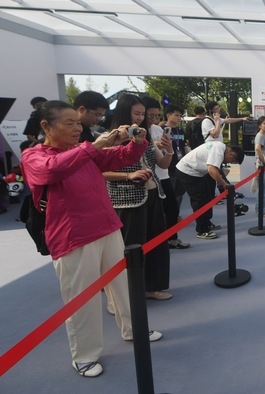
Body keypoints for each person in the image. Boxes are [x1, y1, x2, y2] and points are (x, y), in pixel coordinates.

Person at [19, 100, 162, 378]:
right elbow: (53, 170)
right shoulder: (34, 156)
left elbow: (119, 159)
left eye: (78, 123)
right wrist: (93, 146)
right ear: (46, 126)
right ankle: (84, 355)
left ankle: (134, 329)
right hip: (73, 236)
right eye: (69, 123)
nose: (76, 128)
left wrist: (135, 143)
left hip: (107, 227)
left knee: (122, 285)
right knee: (81, 298)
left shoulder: (80, 151)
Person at [103, 94, 174, 301]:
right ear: (125, 112)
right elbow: (100, 171)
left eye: (143, 114)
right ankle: (121, 297)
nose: (141, 118)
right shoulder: (110, 137)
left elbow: (162, 165)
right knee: (129, 248)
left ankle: (151, 287)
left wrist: (168, 149)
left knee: (156, 244)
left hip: (152, 194)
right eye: (137, 113)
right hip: (126, 199)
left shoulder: (147, 136)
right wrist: (128, 175)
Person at [143, 97, 190, 250]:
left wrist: (167, 149)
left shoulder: (158, 130)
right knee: (153, 214)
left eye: (157, 115)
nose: (154, 119)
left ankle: (171, 239)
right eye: (150, 115)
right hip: (146, 179)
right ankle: (153, 245)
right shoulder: (131, 131)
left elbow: (164, 159)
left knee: (172, 207)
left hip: (165, 173)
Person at [176, 142, 245, 239]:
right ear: (231, 154)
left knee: (208, 197)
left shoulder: (220, 148)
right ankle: (202, 230)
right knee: (199, 201)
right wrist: (225, 185)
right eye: (232, 161)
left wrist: (225, 181)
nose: (229, 163)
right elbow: (211, 169)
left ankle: (207, 223)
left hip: (198, 173)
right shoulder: (219, 151)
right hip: (188, 172)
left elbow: (216, 169)